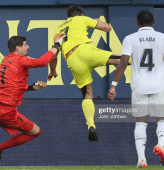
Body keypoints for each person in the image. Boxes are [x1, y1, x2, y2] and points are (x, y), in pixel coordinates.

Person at [108, 10, 164, 168]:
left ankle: (141, 159)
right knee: (162, 120)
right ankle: (160, 145)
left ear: (137, 22)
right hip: (159, 86)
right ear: (153, 21)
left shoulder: (130, 39)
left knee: (140, 123)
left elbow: (123, 63)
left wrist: (114, 85)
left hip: (139, 86)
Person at [48, 5, 121, 141]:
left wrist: (52, 72)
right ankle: (148, 63)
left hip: (72, 61)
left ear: (67, 17)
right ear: (81, 15)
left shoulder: (58, 30)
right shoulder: (82, 19)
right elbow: (107, 28)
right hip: (85, 51)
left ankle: (91, 125)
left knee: (88, 95)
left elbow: (53, 56)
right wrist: (98, 21)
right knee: (123, 59)